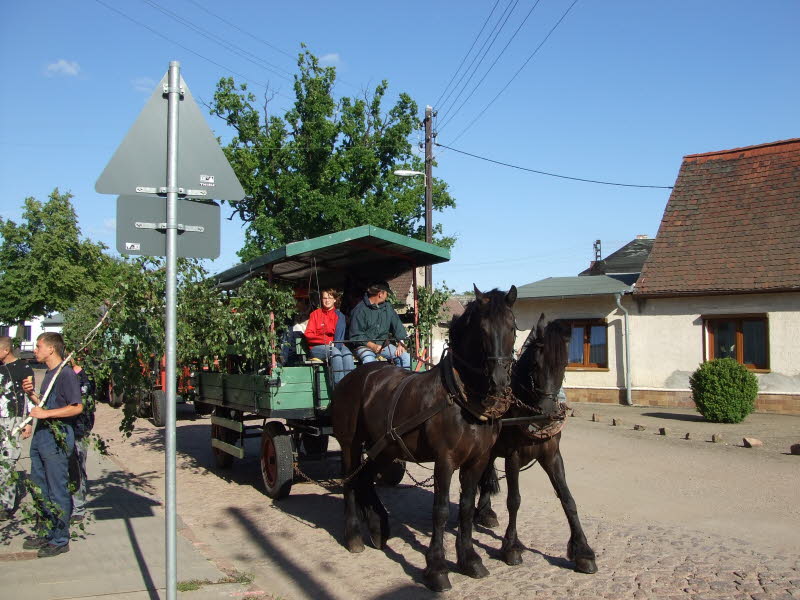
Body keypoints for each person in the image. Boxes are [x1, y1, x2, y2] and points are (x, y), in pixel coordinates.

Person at [21, 332, 83, 558]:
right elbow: (47, 404)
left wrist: (45, 413)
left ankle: (60, 538)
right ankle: (47, 530)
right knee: (39, 485)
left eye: (38, 346)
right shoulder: (49, 373)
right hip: (42, 433)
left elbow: (76, 407)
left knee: (56, 487)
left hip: (57, 436)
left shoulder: (66, 374)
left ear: (51, 349)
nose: (35, 350)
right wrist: (31, 395)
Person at [0, 336, 34, 520]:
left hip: (13, 418)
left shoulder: (23, 368)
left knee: (8, 461)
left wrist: (28, 422)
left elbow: (29, 397)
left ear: (6, 350)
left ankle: (5, 505)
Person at [349, 281, 411, 369]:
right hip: (364, 346)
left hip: (383, 345)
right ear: (380, 294)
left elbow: (397, 325)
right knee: (370, 362)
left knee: (405, 358)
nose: (387, 296)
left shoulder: (387, 307)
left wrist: (401, 343)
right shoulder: (360, 310)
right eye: (386, 293)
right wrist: (372, 345)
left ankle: (399, 382)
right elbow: (356, 335)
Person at [304, 289, 355, 386]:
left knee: (348, 354)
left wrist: (334, 343)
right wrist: (325, 340)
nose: (327, 300)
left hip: (336, 344)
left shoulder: (339, 316)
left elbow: (339, 337)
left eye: (330, 298)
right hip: (318, 347)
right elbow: (308, 335)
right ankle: (338, 387)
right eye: (325, 298)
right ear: (321, 299)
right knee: (335, 353)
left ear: (335, 300)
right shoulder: (315, 314)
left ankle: (350, 386)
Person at [69, 358, 95, 525]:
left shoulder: (84, 377)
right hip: (60, 428)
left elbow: (86, 400)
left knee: (78, 468)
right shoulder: (54, 373)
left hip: (79, 428)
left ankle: (78, 507)